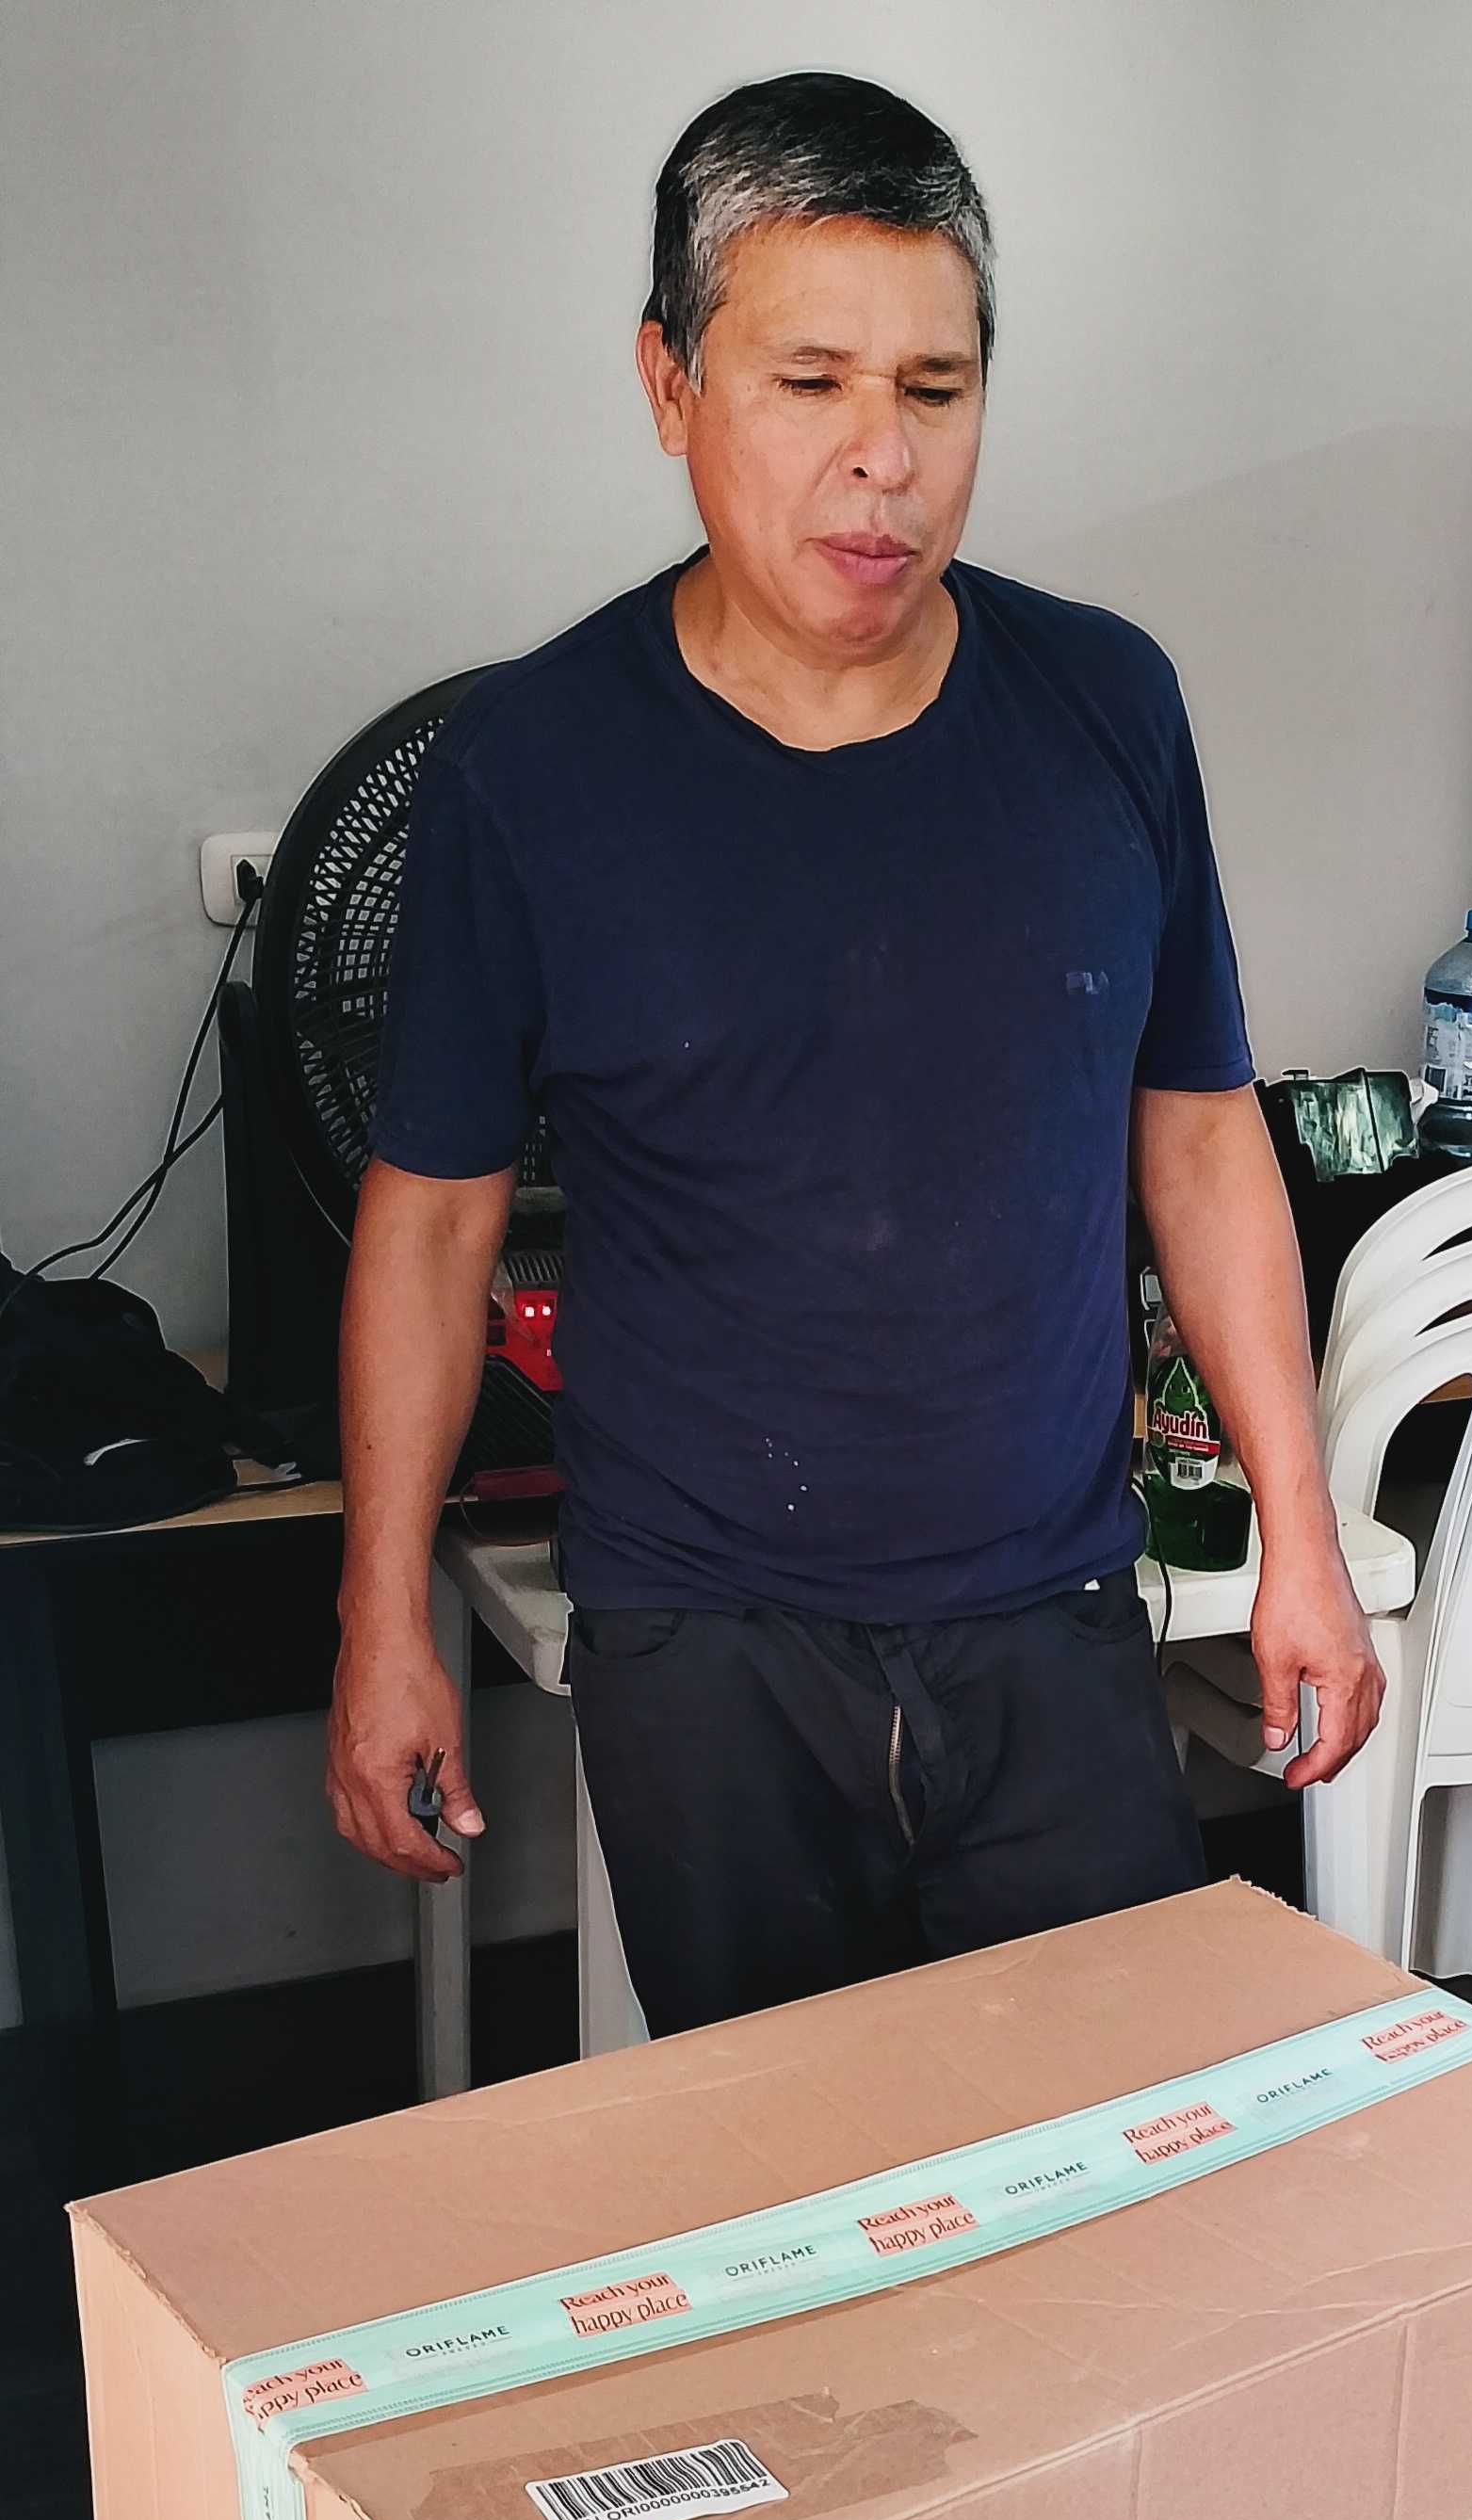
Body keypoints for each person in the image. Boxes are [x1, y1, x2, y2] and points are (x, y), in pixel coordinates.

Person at [328, 71, 1380, 2033]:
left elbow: (1200, 1129)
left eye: (934, 388)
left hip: (1055, 1611)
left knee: (1099, 2150)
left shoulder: (1105, 707)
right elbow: (434, 1221)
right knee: (793, 2180)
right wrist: (379, 1615)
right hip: (706, 1645)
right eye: (808, 382)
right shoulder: (530, 770)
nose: (880, 459)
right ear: (670, 384)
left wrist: (1300, 1538)